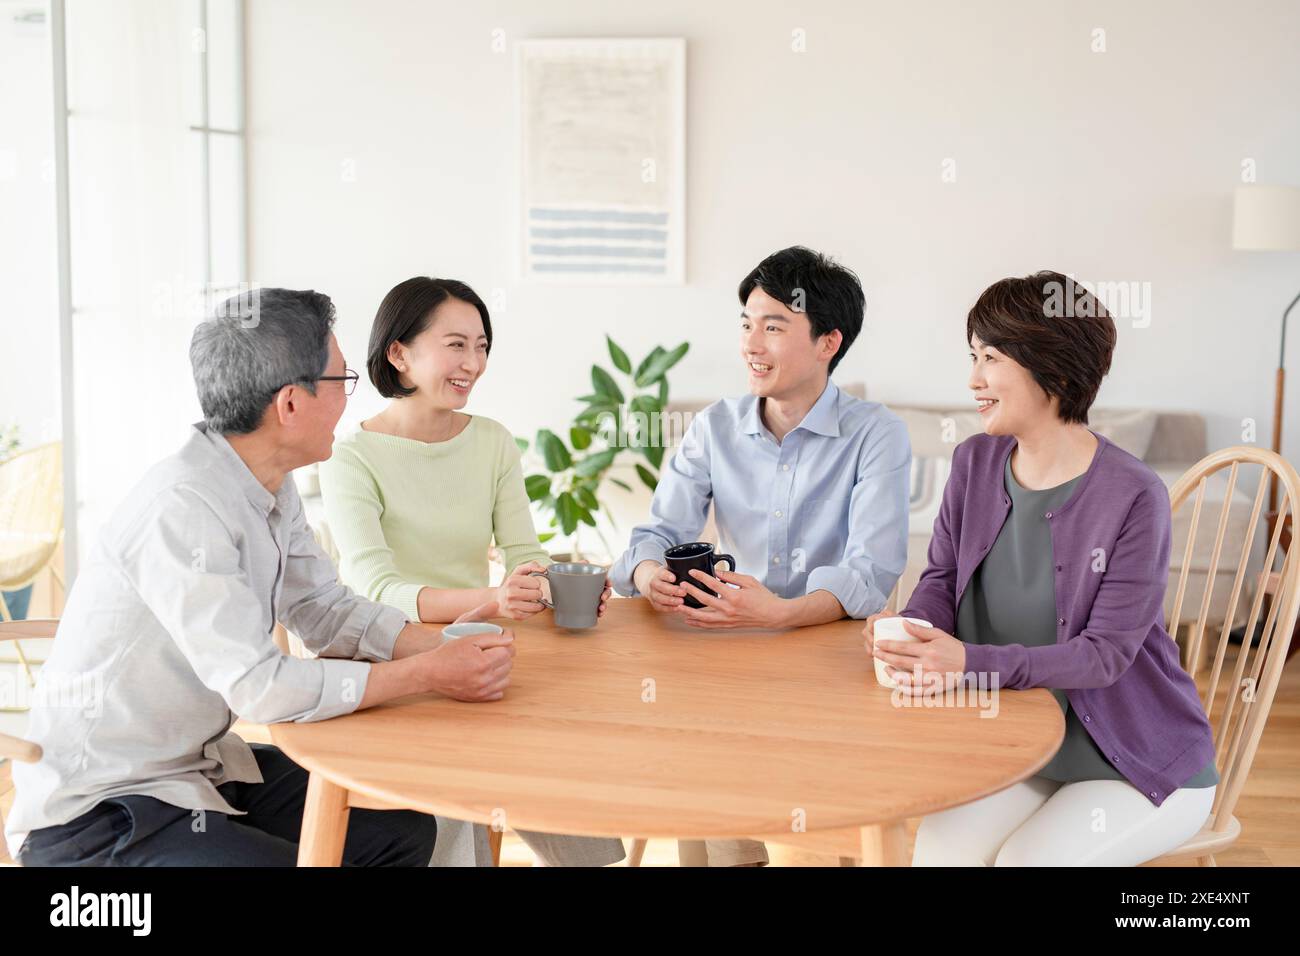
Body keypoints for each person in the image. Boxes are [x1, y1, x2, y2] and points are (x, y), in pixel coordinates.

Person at [6, 288, 516, 866]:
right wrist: (425, 674)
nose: (349, 400)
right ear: (292, 404)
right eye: (341, 381)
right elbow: (261, 687)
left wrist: (433, 644)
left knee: (403, 828)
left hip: (200, 769)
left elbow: (322, 606)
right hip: (104, 813)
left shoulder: (270, 478)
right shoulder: (183, 508)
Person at [867, 272, 1218, 866]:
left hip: (1133, 761)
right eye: (973, 356)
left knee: (1028, 864)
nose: (974, 379)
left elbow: (1104, 655)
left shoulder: (1133, 493)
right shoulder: (975, 462)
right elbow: (942, 581)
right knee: (939, 856)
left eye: (992, 358)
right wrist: (915, 634)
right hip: (1020, 746)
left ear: (1053, 371)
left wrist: (968, 662)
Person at [610, 246, 911, 867]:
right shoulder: (714, 427)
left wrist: (784, 613)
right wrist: (648, 573)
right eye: (747, 323)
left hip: (827, 667)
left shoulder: (875, 433)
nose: (752, 342)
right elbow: (658, 531)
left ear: (830, 341)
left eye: (774, 326)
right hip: (726, 657)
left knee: (794, 832)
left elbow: (871, 572)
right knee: (706, 814)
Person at [319, 276, 624, 867]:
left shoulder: (491, 441)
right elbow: (375, 590)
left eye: (481, 345)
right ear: (399, 353)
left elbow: (522, 550)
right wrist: (490, 598)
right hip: (388, 654)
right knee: (460, 777)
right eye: (456, 345)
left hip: (483, 643)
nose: (474, 362)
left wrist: (550, 585)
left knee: (567, 748)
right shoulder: (351, 456)